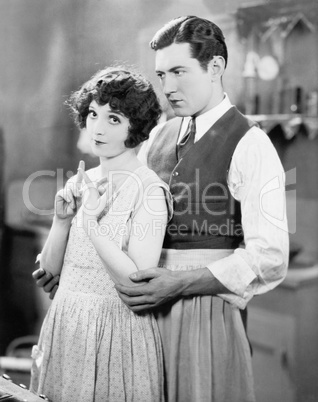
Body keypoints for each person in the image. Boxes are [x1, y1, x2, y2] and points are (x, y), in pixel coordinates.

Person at [33, 16, 289, 402]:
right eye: (161, 74)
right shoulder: (157, 137)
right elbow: (129, 218)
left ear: (216, 67)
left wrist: (181, 282)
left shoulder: (252, 144)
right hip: (140, 315)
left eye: (179, 72)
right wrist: (74, 267)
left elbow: (270, 256)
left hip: (202, 315)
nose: (167, 87)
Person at [30, 67, 172, 402]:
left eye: (114, 118)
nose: (97, 126)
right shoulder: (80, 181)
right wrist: (62, 222)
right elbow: (51, 273)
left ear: (135, 127)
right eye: (93, 113)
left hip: (116, 331)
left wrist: (92, 224)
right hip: (66, 323)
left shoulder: (150, 190)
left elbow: (136, 280)